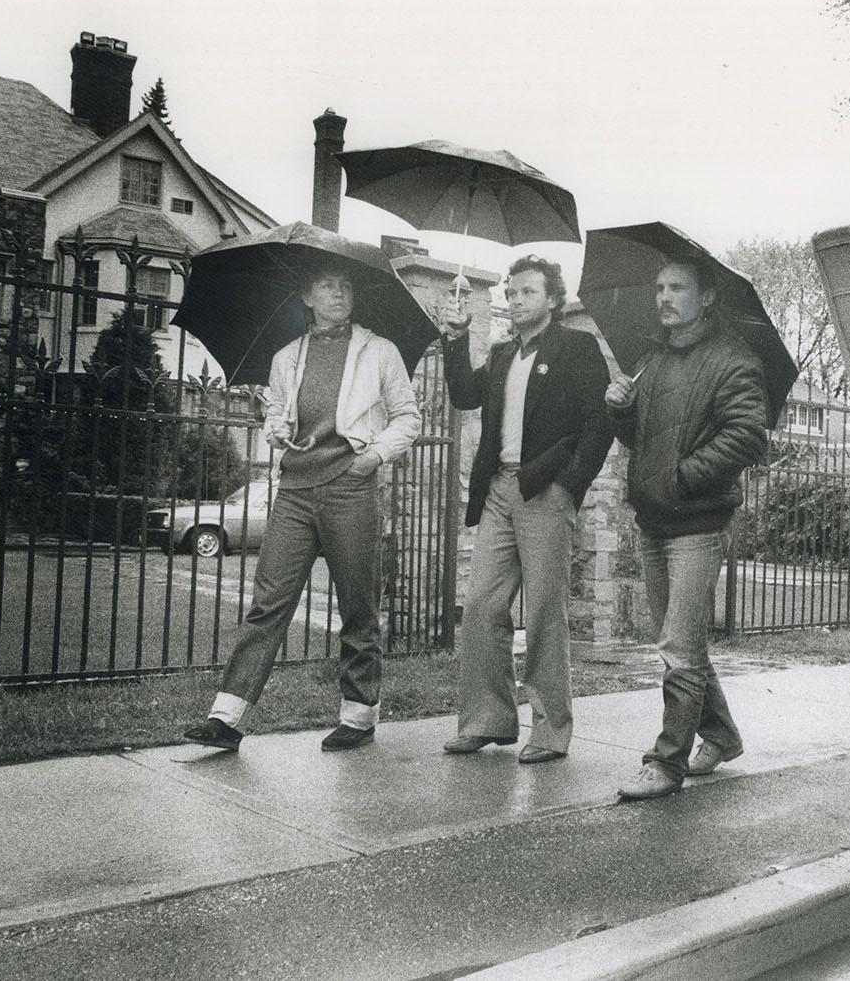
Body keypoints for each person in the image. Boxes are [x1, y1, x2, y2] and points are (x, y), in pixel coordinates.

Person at [183, 268, 420, 753]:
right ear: (307, 295)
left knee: (358, 605)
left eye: (346, 287)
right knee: (268, 604)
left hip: (350, 488)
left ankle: (358, 716)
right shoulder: (287, 356)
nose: (339, 294)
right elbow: (276, 415)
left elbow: (408, 417)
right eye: (329, 286)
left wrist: (372, 457)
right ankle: (226, 718)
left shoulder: (380, 351)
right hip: (294, 489)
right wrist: (276, 431)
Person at [605, 257, 768, 800]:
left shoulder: (732, 361)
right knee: (682, 643)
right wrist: (621, 411)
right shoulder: (650, 360)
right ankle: (721, 736)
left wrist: (682, 478)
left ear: (708, 297)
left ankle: (666, 763)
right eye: (659, 286)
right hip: (654, 519)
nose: (664, 296)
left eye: (677, 287)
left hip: (698, 522)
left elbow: (746, 434)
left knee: (678, 647)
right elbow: (641, 441)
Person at [439, 255, 613, 764]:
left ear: (553, 300)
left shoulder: (577, 348)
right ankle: (487, 721)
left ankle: (550, 729)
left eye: (528, 293)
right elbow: (465, 395)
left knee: (542, 612)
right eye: (511, 293)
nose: (516, 301)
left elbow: (598, 422)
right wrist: (454, 337)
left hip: (545, 490)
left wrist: (569, 485)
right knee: (481, 608)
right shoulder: (499, 355)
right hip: (498, 490)